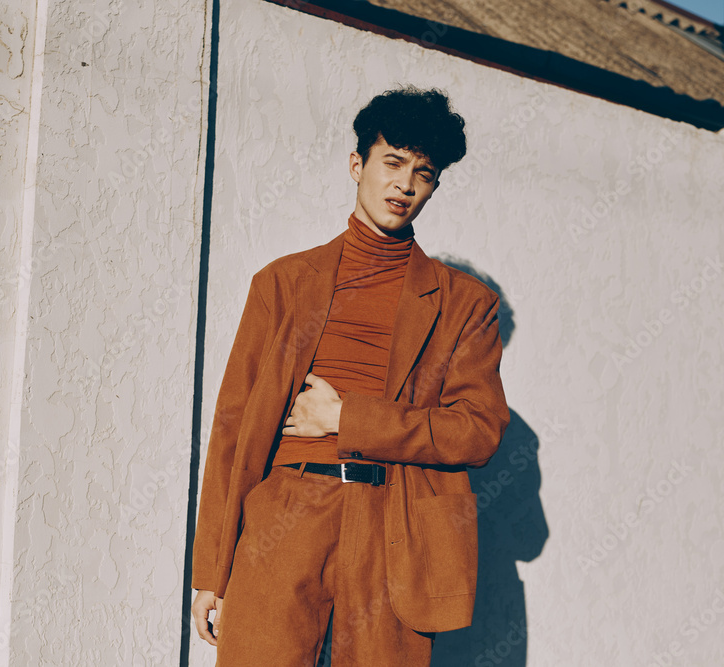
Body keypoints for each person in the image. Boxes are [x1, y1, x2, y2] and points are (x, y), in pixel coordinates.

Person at [191, 85, 510, 666]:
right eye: (392, 163)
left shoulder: (466, 305)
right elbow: (233, 428)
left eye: (424, 173)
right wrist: (211, 568)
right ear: (357, 165)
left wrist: (347, 418)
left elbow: (478, 430)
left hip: (396, 524)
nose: (405, 185)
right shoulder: (282, 284)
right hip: (285, 513)